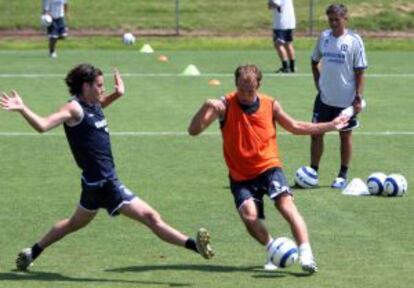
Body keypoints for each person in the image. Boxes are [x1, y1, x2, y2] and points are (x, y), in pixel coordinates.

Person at [0, 63, 214, 271]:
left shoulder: (93, 104)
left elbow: (98, 108)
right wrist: (22, 108)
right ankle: (196, 247)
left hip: (92, 184)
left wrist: (117, 94)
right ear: (86, 86)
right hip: (106, 184)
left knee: (73, 223)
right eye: (99, 86)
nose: (103, 90)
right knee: (151, 218)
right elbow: (44, 125)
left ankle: (32, 252)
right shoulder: (73, 108)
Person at [188, 64, 350, 273]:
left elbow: (296, 127)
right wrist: (205, 107)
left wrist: (330, 125)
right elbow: (193, 131)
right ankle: (274, 249)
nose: (246, 95)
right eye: (242, 89)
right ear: (235, 84)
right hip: (240, 176)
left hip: (268, 167)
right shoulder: (224, 106)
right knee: (249, 217)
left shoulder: (270, 105)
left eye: (251, 90)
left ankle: (307, 254)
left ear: (259, 85)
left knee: (286, 206)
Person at [310, 3, 368, 189]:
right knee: (316, 134)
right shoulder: (324, 37)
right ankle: (313, 172)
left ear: (345, 19)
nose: (333, 23)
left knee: (345, 135)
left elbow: (360, 71)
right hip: (324, 98)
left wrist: (358, 96)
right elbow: (314, 61)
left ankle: (342, 174)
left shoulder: (354, 40)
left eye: (337, 19)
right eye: (331, 19)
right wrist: (318, 83)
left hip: (345, 101)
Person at [268, 0, 296, 73]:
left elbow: (276, 4)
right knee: (288, 43)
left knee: (278, 44)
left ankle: (285, 66)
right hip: (290, 21)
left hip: (281, 23)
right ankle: (292, 67)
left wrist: (270, 4)